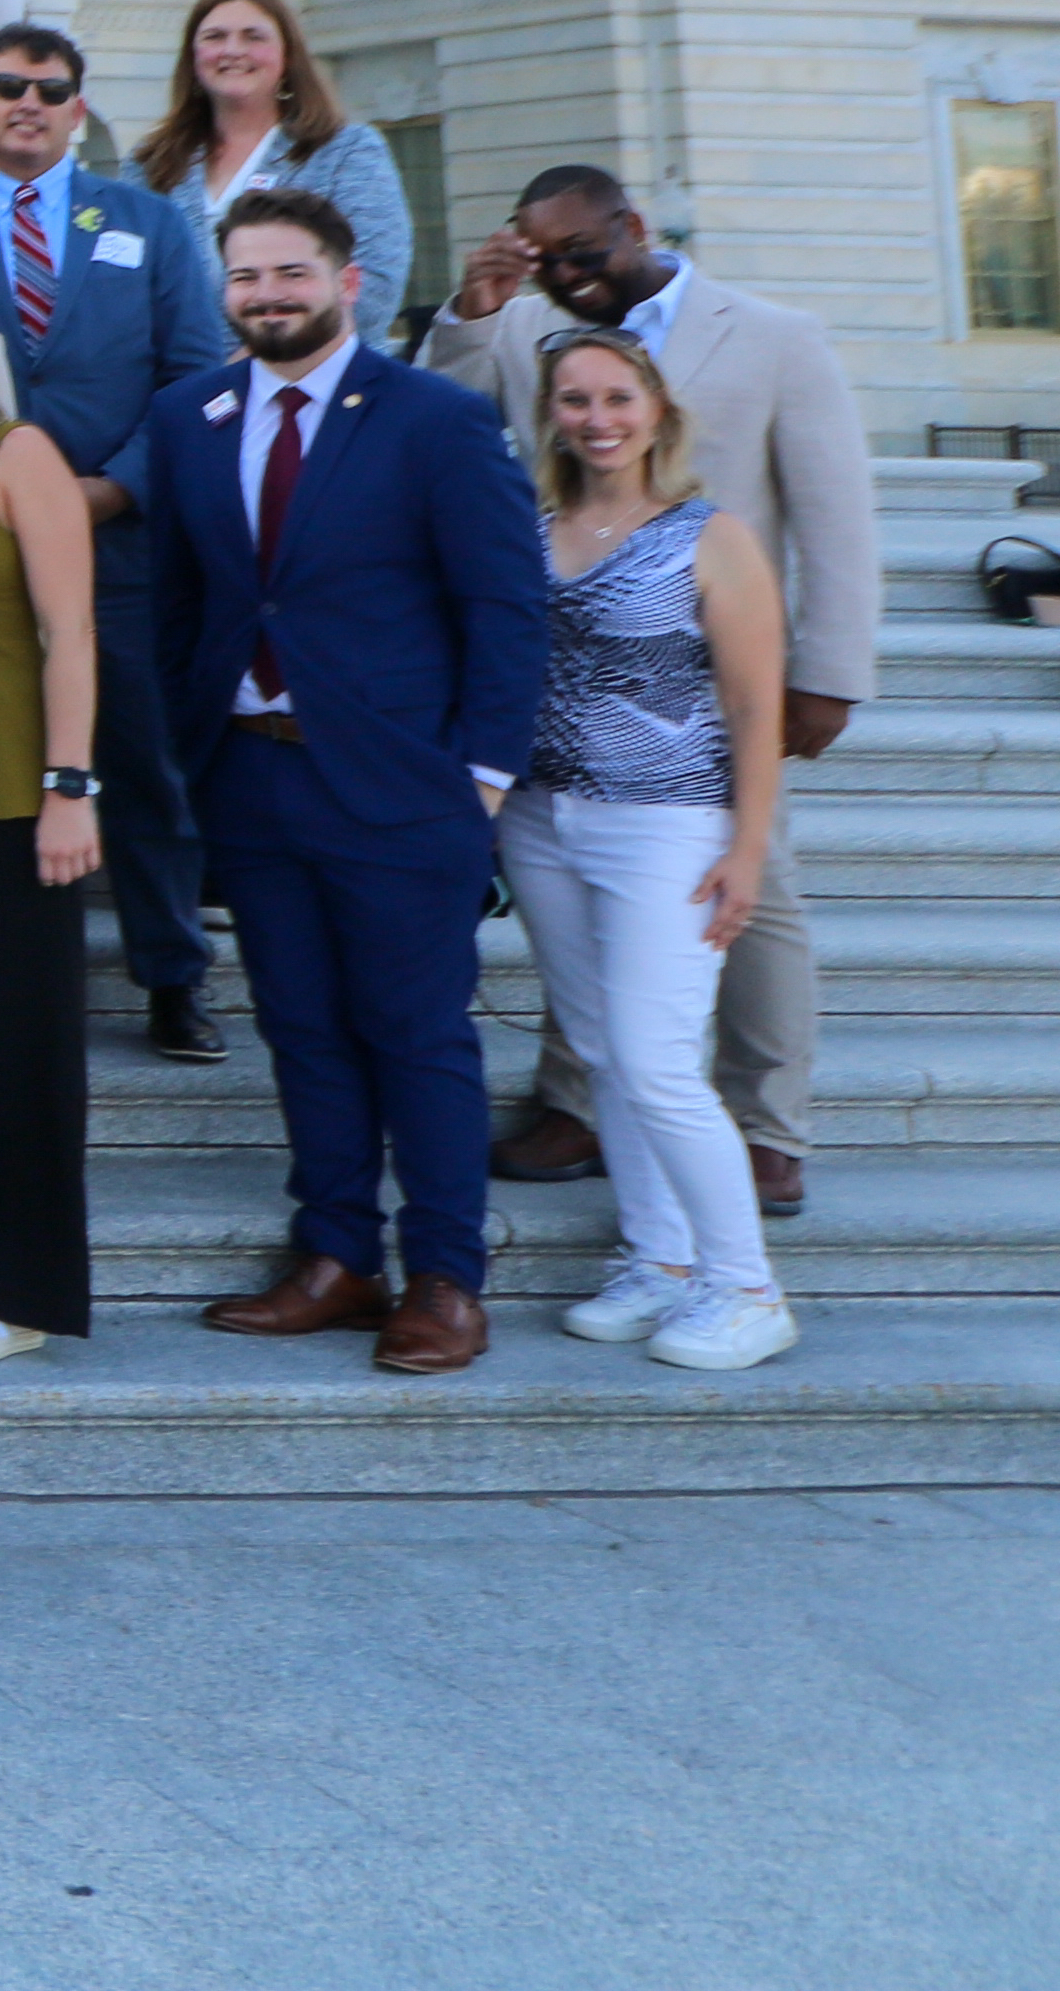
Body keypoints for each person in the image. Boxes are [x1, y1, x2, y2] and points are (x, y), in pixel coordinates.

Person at [147, 190, 551, 1379]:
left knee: (418, 1035)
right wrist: (188, 739)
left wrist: (481, 773)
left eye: (290, 273)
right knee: (302, 1027)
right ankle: (335, 1254)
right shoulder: (190, 414)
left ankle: (445, 1277)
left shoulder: (432, 417)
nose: (267, 294)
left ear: (347, 280)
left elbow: (505, 602)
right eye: (246, 277)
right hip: (251, 781)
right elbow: (179, 598)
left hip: (402, 787)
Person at [427, 161, 877, 1214]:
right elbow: (440, 416)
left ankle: (766, 1122)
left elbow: (836, 513)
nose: (570, 278)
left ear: (632, 227)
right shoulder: (525, 326)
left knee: (755, 897)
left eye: (584, 254)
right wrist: (471, 311)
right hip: (574, 675)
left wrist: (830, 672)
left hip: (719, 667)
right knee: (584, 899)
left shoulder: (771, 334)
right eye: (546, 259)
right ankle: (578, 1099)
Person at [0, 22, 237, 1064]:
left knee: (140, 762)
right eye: (8, 84)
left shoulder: (146, 222)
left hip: (120, 542)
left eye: (51, 89)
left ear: (78, 108)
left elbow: (196, 378)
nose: (29, 101)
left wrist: (113, 490)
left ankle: (173, 975)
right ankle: (15, 979)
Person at [505, 330, 802, 1368]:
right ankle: (660, 1258)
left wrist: (749, 847)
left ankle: (747, 1287)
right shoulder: (532, 523)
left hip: (668, 823)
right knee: (599, 1049)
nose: (597, 418)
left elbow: (757, 703)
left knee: (656, 1058)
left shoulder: (710, 534)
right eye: (576, 399)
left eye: (618, 397)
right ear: (551, 412)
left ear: (658, 408)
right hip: (543, 818)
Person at [130, 0, 414, 331]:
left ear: (287, 56)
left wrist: (249, 368)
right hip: (180, 382)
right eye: (215, 37)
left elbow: (374, 288)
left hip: (316, 379)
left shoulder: (346, 151)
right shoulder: (148, 165)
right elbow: (123, 290)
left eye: (254, 37)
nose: (233, 50)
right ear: (192, 57)